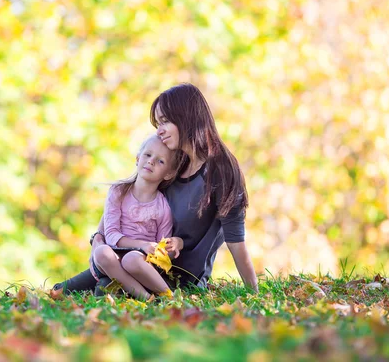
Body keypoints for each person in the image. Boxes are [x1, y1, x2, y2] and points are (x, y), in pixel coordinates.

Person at [54, 83, 258, 294]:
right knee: (70, 290)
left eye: (165, 122)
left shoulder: (221, 171)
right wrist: (97, 238)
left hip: (180, 278)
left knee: (103, 290)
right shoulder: (174, 162)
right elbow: (126, 195)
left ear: (186, 117)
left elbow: (236, 242)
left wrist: (255, 294)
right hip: (139, 260)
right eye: (157, 124)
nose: (159, 131)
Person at [90, 134, 181, 300]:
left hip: (142, 262)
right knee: (101, 252)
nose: (151, 161)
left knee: (131, 259)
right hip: (114, 258)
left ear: (168, 173)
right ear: (138, 158)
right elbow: (111, 235)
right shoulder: (118, 192)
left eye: (160, 161)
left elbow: (162, 249)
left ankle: (170, 296)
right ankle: (146, 298)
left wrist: (170, 248)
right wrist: (143, 244)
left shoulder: (163, 206)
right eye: (147, 155)